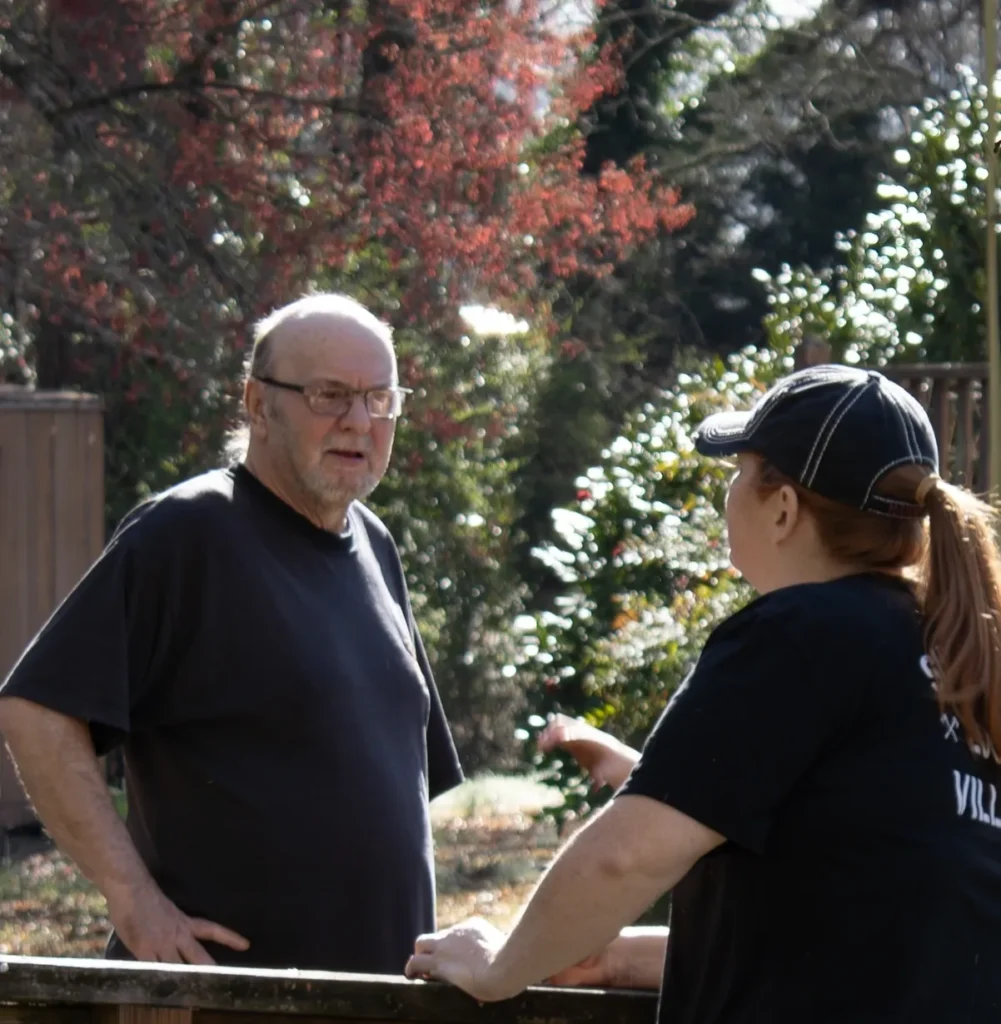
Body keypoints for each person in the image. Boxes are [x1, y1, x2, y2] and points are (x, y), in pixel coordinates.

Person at [405, 363, 1001, 1021]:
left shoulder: (799, 636)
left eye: (737, 473)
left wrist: (498, 968)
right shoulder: (958, 659)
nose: (728, 494)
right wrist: (611, 957)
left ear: (781, 508)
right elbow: (865, 926)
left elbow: (625, 858)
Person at [0, 292, 463, 972]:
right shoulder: (188, 532)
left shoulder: (375, 545)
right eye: (330, 395)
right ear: (257, 404)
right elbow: (37, 711)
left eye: (379, 398)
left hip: (375, 1000)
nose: (359, 421)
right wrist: (132, 900)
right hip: (224, 999)